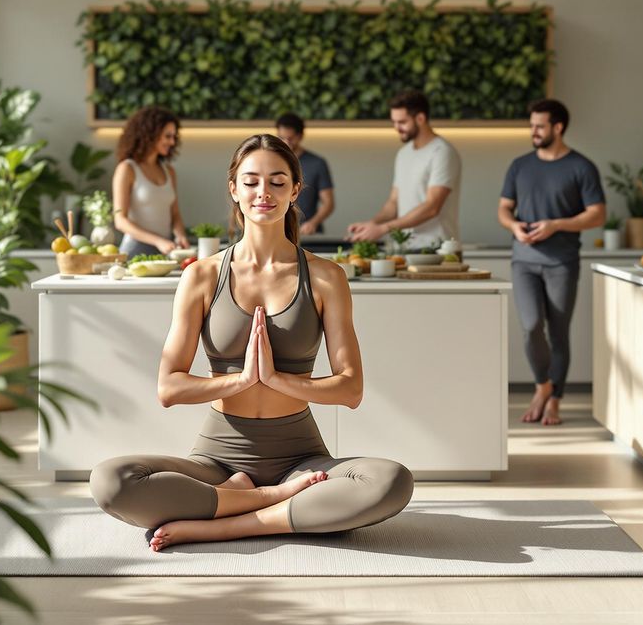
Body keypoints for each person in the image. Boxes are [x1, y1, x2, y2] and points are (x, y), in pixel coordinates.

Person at [90, 134, 414, 552]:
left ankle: (224, 522)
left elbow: (351, 389)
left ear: (295, 190)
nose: (264, 193)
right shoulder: (202, 276)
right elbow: (169, 388)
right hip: (215, 460)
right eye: (251, 182)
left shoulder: (325, 277)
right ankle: (268, 501)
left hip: (300, 460)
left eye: (278, 182)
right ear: (234, 189)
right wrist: (241, 380)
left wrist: (277, 379)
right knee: (110, 480)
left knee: (391, 480)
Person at [497, 99, 606, 427]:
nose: (534, 131)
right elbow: (504, 208)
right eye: (532, 126)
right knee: (531, 328)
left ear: (558, 127)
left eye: (540, 126)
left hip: (562, 262)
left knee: (559, 333)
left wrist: (556, 224)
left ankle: (554, 400)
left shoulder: (581, 167)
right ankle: (543, 385)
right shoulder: (519, 165)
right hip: (524, 261)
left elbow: (597, 214)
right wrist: (514, 225)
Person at [347, 90, 461, 247]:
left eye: (402, 122)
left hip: (436, 249)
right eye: (394, 122)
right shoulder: (404, 154)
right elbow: (393, 203)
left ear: (420, 118)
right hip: (404, 247)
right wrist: (371, 224)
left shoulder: (442, 152)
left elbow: (432, 207)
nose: (396, 128)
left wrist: (383, 228)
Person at [112, 106, 190, 257]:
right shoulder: (127, 169)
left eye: (174, 137)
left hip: (165, 252)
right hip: (134, 252)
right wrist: (158, 241)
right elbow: (120, 220)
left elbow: (175, 214)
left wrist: (180, 235)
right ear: (150, 134)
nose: (172, 142)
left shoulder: (169, 171)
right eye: (168, 136)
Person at [274, 112, 335, 235]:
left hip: (308, 233)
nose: (286, 142)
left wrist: (313, 223)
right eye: (281, 138)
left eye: (290, 138)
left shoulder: (317, 163)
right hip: (276, 232)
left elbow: (328, 203)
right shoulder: (270, 161)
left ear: (300, 136)